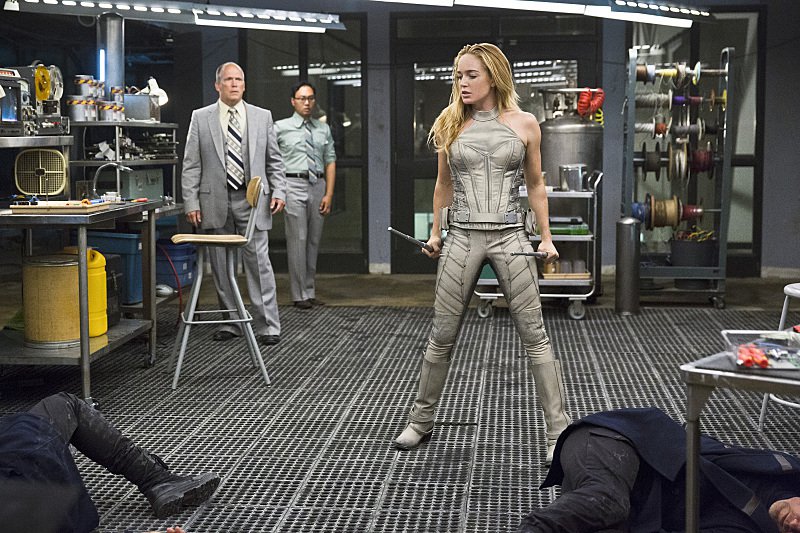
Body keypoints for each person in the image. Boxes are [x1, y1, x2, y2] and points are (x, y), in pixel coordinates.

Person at [392, 43, 571, 465]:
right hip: (461, 237)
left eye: (471, 75)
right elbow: (442, 185)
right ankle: (420, 421)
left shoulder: (525, 123)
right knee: (441, 335)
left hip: (511, 236)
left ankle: (559, 432)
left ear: (493, 76)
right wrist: (435, 233)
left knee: (535, 335)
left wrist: (546, 238)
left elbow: (536, 184)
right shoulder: (450, 123)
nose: (463, 83)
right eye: (459, 75)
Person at [517, 407, 800, 533]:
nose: (796, 525)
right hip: (620, 442)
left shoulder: (749, 528)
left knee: (611, 516)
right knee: (607, 500)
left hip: (636, 507)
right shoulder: (783, 470)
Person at [0, 392, 220, 532]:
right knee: (66, 405)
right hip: (21, 469)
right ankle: (156, 480)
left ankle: (157, 480)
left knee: (60, 407)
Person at [182, 61, 287, 346]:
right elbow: (191, 164)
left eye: (238, 79)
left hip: (252, 201)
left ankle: (268, 325)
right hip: (214, 201)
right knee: (221, 264)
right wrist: (191, 202)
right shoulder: (200, 117)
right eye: (228, 79)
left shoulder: (262, 116)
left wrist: (279, 191)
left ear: (244, 84)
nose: (234, 84)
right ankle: (231, 321)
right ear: (217, 85)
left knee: (259, 264)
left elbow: (274, 160)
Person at [274, 81, 337, 310]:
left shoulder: (323, 129)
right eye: (302, 98)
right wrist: (277, 190)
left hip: (317, 185)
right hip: (292, 185)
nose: (307, 103)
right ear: (293, 101)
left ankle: (309, 291)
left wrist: (329, 194)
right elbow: (271, 161)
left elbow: (330, 161)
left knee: (313, 241)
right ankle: (298, 293)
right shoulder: (280, 128)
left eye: (310, 98)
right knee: (297, 239)